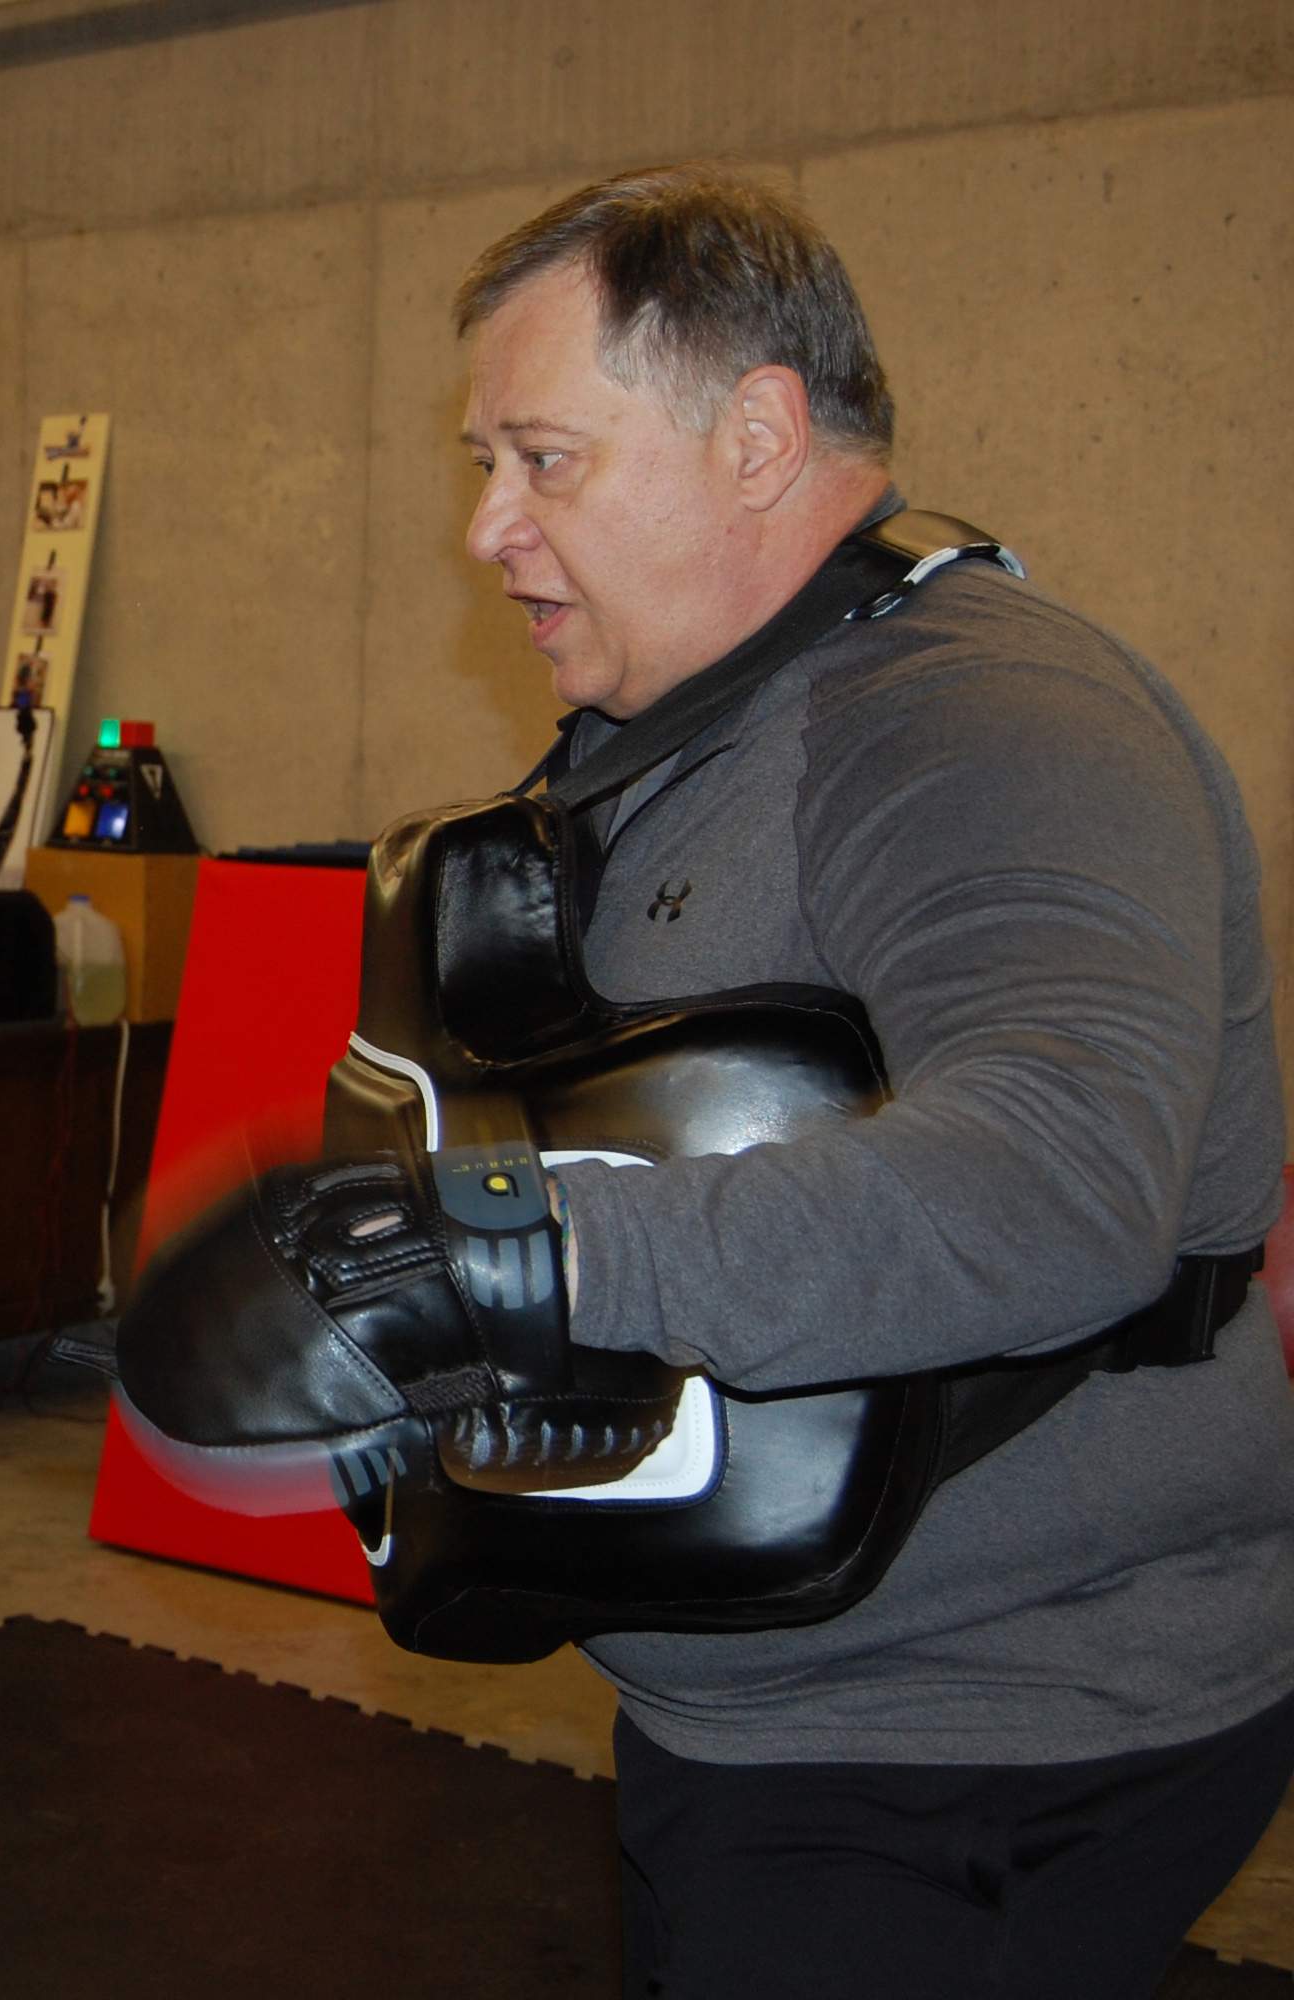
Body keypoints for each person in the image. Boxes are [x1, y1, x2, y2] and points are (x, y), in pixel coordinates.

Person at [119, 166, 1294, 1996]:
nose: (490, 530)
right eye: (479, 468)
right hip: (771, 1702)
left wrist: (522, 1254)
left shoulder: (984, 722)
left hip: (986, 1732)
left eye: (545, 460)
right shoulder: (681, 730)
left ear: (756, 433)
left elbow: (1061, 1183)